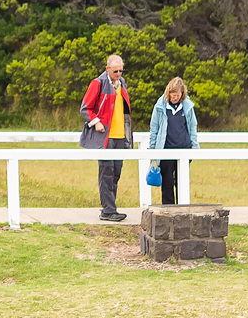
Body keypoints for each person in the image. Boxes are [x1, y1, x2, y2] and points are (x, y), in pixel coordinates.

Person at [79, 54, 133, 221]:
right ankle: (109, 210)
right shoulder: (98, 83)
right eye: (115, 70)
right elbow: (85, 108)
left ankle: (110, 207)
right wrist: (96, 122)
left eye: (121, 70)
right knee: (106, 172)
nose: (119, 73)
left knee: (116, 172)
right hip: (105, 136)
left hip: (120, 135)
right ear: (107, 69)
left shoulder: (122, 83)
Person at [145, 76, 200, 205]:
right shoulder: (160, 107)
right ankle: (168, 209)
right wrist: (153, 150)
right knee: (167, 183)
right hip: (166, 150)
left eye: (178, 95)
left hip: (184, 149)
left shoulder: (187, 107)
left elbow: (192, 127)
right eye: (173, 95)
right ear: (168, 93)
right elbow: (154, 128)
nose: (175, 97)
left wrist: (194, 147)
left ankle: (182, 208)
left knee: (181, 182)